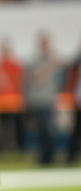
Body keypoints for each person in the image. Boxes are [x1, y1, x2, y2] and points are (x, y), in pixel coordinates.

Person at [25, 31, 62, 166]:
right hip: (38, 100)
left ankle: (49, 157)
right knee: (42, 130)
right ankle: (44, 157)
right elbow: (37, 78)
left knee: (49, 130)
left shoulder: (52, 60)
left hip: (49, 100)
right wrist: (50, 64)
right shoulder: (35, 60)